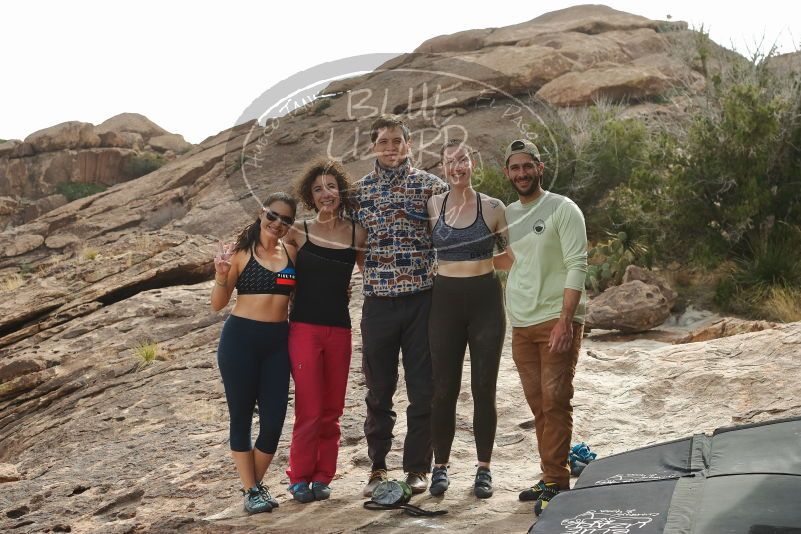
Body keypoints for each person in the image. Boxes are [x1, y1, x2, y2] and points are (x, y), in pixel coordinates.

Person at [493, 139, 588, 515]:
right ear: (507, 173)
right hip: (521, 324)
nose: (521, 174)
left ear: (540, 167)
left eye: (527, 166)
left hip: (555, 321)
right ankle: (550, 473)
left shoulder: (563, 208)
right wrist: (455, 267)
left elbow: (577, 263)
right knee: (538, 407)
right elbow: (513, 259)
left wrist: (566, 320)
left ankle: (557, 483)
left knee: (556, 401)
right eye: (514, 168)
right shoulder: (511, 214)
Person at [355, 114, 448, 496]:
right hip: (378, 303)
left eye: (397, 141)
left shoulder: (431, 187)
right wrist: (380, 276)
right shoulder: (358, 192)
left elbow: (441, 237)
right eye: (383, 142)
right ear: (373, 147)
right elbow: (358, 247)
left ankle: (416, 468)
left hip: (422, 302)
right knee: (379, 388)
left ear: (409, 145)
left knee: (423, 387)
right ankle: (377, 467)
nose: (390, 148)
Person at [426, 140, 507, 498]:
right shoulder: (433, 205)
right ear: (442, 168)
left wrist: (484, 266)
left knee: (483, 389)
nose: (457, 167)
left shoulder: (493, 207)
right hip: (444, 304)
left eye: (462, 160)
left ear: (472, 163)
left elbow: (510, 254)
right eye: (449, 162)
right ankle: (440, 467)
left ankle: (483, 469)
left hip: (486, 302)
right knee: (443, 389)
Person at [283, 160, 367, 503]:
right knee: (309, 407)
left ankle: (322, 476)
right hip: (303, 328)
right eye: (318, 189)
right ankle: (299, 476)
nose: (325, 193)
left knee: (332, 409)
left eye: (330, 186)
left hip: (340, 329)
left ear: (340, 191)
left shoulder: (355, 233)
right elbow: (282, 279)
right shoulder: (298, 231)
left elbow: (372, 276)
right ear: (310, 196)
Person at [211, 192, 298, 514]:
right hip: (240, 342)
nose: (278, 223)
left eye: (286, 219)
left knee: (274, 422)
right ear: (262, 213)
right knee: (242, 419)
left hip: (278, 343)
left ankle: (252, 487)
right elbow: (218, 304)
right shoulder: (241, 254)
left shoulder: (290, 252)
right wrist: (221, 274)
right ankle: (252, 489)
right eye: (273, 215)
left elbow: (300, 296)